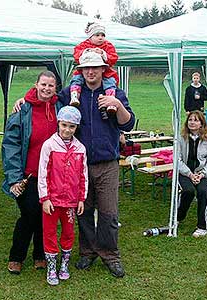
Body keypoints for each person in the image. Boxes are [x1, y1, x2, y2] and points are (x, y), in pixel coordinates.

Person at [58, 51, 135, 278]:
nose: (90, 72)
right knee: (83, 209)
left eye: (95, 68)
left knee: (109, 212)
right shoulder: (72, 93)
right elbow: (48, 98)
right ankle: (88, 252)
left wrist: (116, 105)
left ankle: (110, 255)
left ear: (103, 69)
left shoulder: (114, 92)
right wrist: (25, 99)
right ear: (80, 71)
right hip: (78, 163)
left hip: (107, 163)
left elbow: (128, 124)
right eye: (86, 68)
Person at [2, 70, 63, 275]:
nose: (46, 89)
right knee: (29, 214)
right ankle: (16, 256)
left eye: (51, 85)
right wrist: (14, 177)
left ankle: (40, 255)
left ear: (56, 88)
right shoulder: (22, 110)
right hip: (27, 176)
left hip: (53, 176)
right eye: (43, 84)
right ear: (36, 85)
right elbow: (10, 145)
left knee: (46, 215)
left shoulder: (60, 108)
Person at [38, 106, 87, 286]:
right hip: (51, 201)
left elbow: (84, 174)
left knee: (68, 233)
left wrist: (81, 198)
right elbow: (43, 173)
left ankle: (64, 264)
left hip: (71, 202)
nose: (67, 130)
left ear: (76, 128)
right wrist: (45, 198)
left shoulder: (80, 148)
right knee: (49, 233)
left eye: (72, 126)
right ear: (58, 123)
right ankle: (51, 267)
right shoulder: (49, 145)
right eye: (64, 125)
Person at [177, 111, 207, 238]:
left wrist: (202, 174)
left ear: (201, 123)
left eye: (196, 120)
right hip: (186, 172)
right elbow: (177, 160)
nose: (192, 122)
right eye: (190, 120)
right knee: (188, 191)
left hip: (203, 173)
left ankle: (203, 226)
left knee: (203, 191)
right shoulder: (180, 138)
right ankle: (178, 217)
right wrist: (189, 174)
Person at [69, 22, 119, 110]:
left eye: (102, 35)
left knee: (110, 83)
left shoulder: (108, 46)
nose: (100, 37)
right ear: (90, 36)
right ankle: (74, 95)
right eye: (97, 35)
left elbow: (113, 58)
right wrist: (87, 51)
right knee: (76, 79)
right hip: (82, 72)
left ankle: (111, 102)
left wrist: (103, 54)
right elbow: (77, 55)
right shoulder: (83, 45)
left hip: (106, 72)